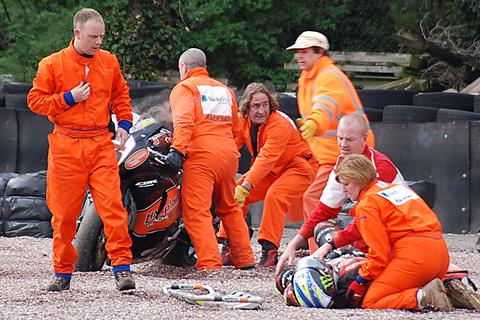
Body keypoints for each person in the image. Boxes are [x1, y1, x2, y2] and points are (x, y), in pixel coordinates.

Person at [27, 8, 135, 291]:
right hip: (66, 144)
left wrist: (124, 123)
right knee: (63, 216)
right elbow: (35, 100)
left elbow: (121, 95)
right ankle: (62, 274)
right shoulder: (52, 64)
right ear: (76, 33)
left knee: (113, 208)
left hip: (100, 143)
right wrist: (68, 98)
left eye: (101, 36)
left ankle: (122, 269)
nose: (98, 41)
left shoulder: (109, 62)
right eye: (93, 36)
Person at [276, 113, 403, 274]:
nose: (343, 144)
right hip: (377, 234)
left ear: (364, 138)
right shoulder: (343, 164)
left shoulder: (380, 168)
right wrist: (294, 243)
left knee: (363, 294)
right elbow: (324, 211)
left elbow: (378, 223)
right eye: (340, 138)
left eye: (349, 139)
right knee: (322, 229)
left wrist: (339, 252)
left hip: (399, 243)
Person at [165, 48, 254, 270]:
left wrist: (177, 150)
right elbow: (236, 128)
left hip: (201, 156)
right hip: (228, 154)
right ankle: (245, 260)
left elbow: (184, 121)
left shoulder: (185, 87)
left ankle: (209, 264)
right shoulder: (225, 91)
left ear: (183, 68)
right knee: (229, 208)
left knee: (197, 211)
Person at [286, 31, 375, 252]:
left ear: (319, 52)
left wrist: (315, 123)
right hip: (331, 153)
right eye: (298, 52)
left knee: (314, 199)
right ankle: (333, 246)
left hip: (344, 152)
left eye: (305, 52)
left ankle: (321, 251)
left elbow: (325, 106)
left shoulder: (327, 76)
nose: (299, 56)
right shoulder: (309, 78)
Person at [327, 154, 451, 310]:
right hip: (441, 256)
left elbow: (379, 254)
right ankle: (446, 291)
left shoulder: (367, 204)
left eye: (346, 184)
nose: (344, 190)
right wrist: (332, 243)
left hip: (415, 260)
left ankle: (423, 297)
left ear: (358, 179)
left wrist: (361, 280)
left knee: (371, 301)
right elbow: (361, 226)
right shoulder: (393, 189)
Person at [216, 83, 316, 267]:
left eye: (265, 105)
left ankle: (269, 252)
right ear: (247, 107)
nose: (261, 110)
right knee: (232, 193)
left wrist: (246, 187)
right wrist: (216, 173)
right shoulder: (242, 121)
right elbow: (230, 148)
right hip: (271, 169)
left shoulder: (280, 125)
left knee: (275, 196)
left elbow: (266, 158)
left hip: (298, 167)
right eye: (256, 106)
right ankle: (231, 246)